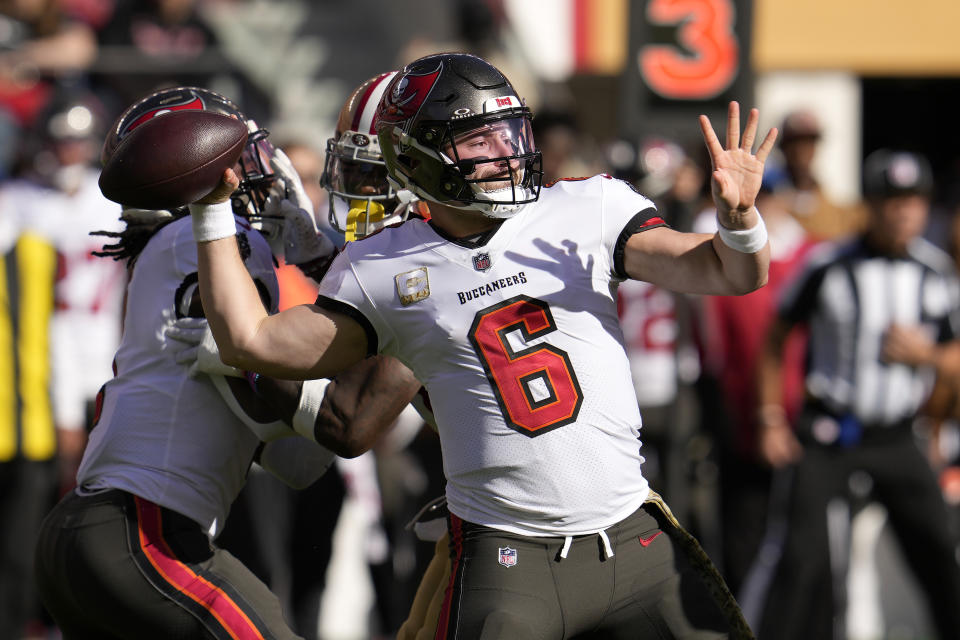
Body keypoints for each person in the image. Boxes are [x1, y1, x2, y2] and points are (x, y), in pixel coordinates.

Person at [191, 52, 777, 638]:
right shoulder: (385, 267)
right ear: (418, 160)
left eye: (508, 133)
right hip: (507, 555)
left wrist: (740, 220)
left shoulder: (583, 208)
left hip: (629, 533)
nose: (504, 153)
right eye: (480, 141)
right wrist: (213, 209)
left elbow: (728, 273)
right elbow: (253, 341)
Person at [32, 85, 420, 640]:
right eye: (230, 158)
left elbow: (298, 461)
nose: (250, 171)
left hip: (91, 533)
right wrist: (318, 264)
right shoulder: (217, 239)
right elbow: (336, 417)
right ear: (190, 165)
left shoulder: (164, 254)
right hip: (143, 534)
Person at [755, 149, 960, 639]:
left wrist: (926, 358)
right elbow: (775, 339)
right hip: (829, 430)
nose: (904, 212)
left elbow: (954, 358)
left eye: (914, 201)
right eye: (891, 200)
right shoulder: (828, 265)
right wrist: (770, 418)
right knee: (800, 556)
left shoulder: (936, 274)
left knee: (936, 548)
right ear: (870, 204)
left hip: (895, 434)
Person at [774, 108, 867, 242]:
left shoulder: (841, 214)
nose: (801, 150)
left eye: (808, 142)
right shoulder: (765, 204)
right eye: (794, 142)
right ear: (783, 147)